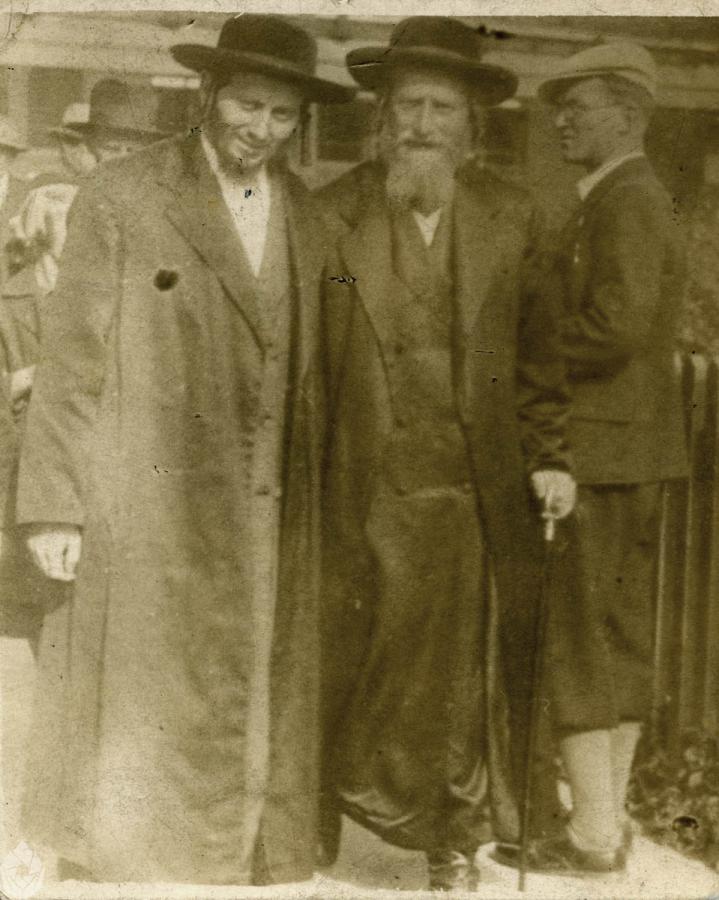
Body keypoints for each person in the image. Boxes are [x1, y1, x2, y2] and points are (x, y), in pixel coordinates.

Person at [14, 15, 352, 885]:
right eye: (247, 105)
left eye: (282, 115)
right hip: (145, 498)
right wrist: (55, 508)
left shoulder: (309, 218)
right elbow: (72, 363)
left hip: (264, 504)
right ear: (208, 94)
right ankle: (127, 850)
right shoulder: (125, 196)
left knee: (242, 679)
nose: (261, 129)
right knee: (139, 687)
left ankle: (233, 850)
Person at [318, 17, 575, 891]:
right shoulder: (333, 215)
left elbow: (541, 358)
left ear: (471, 124)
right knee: (364, 662)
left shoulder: (514, 215)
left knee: (462, 679)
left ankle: (451, 844)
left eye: (441, 109)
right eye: (408, 107)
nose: (422, 125)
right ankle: (335, 818)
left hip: (474, 491)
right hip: (365, 486)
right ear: (382, 118)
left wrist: (550, 456)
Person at [505, 42, 688, 875]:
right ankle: (603, 829)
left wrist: (524, 350)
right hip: (630, 452)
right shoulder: (623, 196)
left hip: (597, 453)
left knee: (581, 640)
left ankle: (589, 835)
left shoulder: (626, 200)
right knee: (613, 638)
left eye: (576, 107)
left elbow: (615, 327)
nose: (560, 122)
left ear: (626, 113)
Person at [8, 81, 166, 293]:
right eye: (112, 148)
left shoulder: (160, 208)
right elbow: (19, 273)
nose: (123, 158)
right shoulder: (51, 202)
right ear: (92, 148)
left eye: (132, 150)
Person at [0, 117, 28, 286]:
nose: (0, 158)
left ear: (13, 155)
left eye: (5, 151)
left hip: (12, 284)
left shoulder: (26, 191)